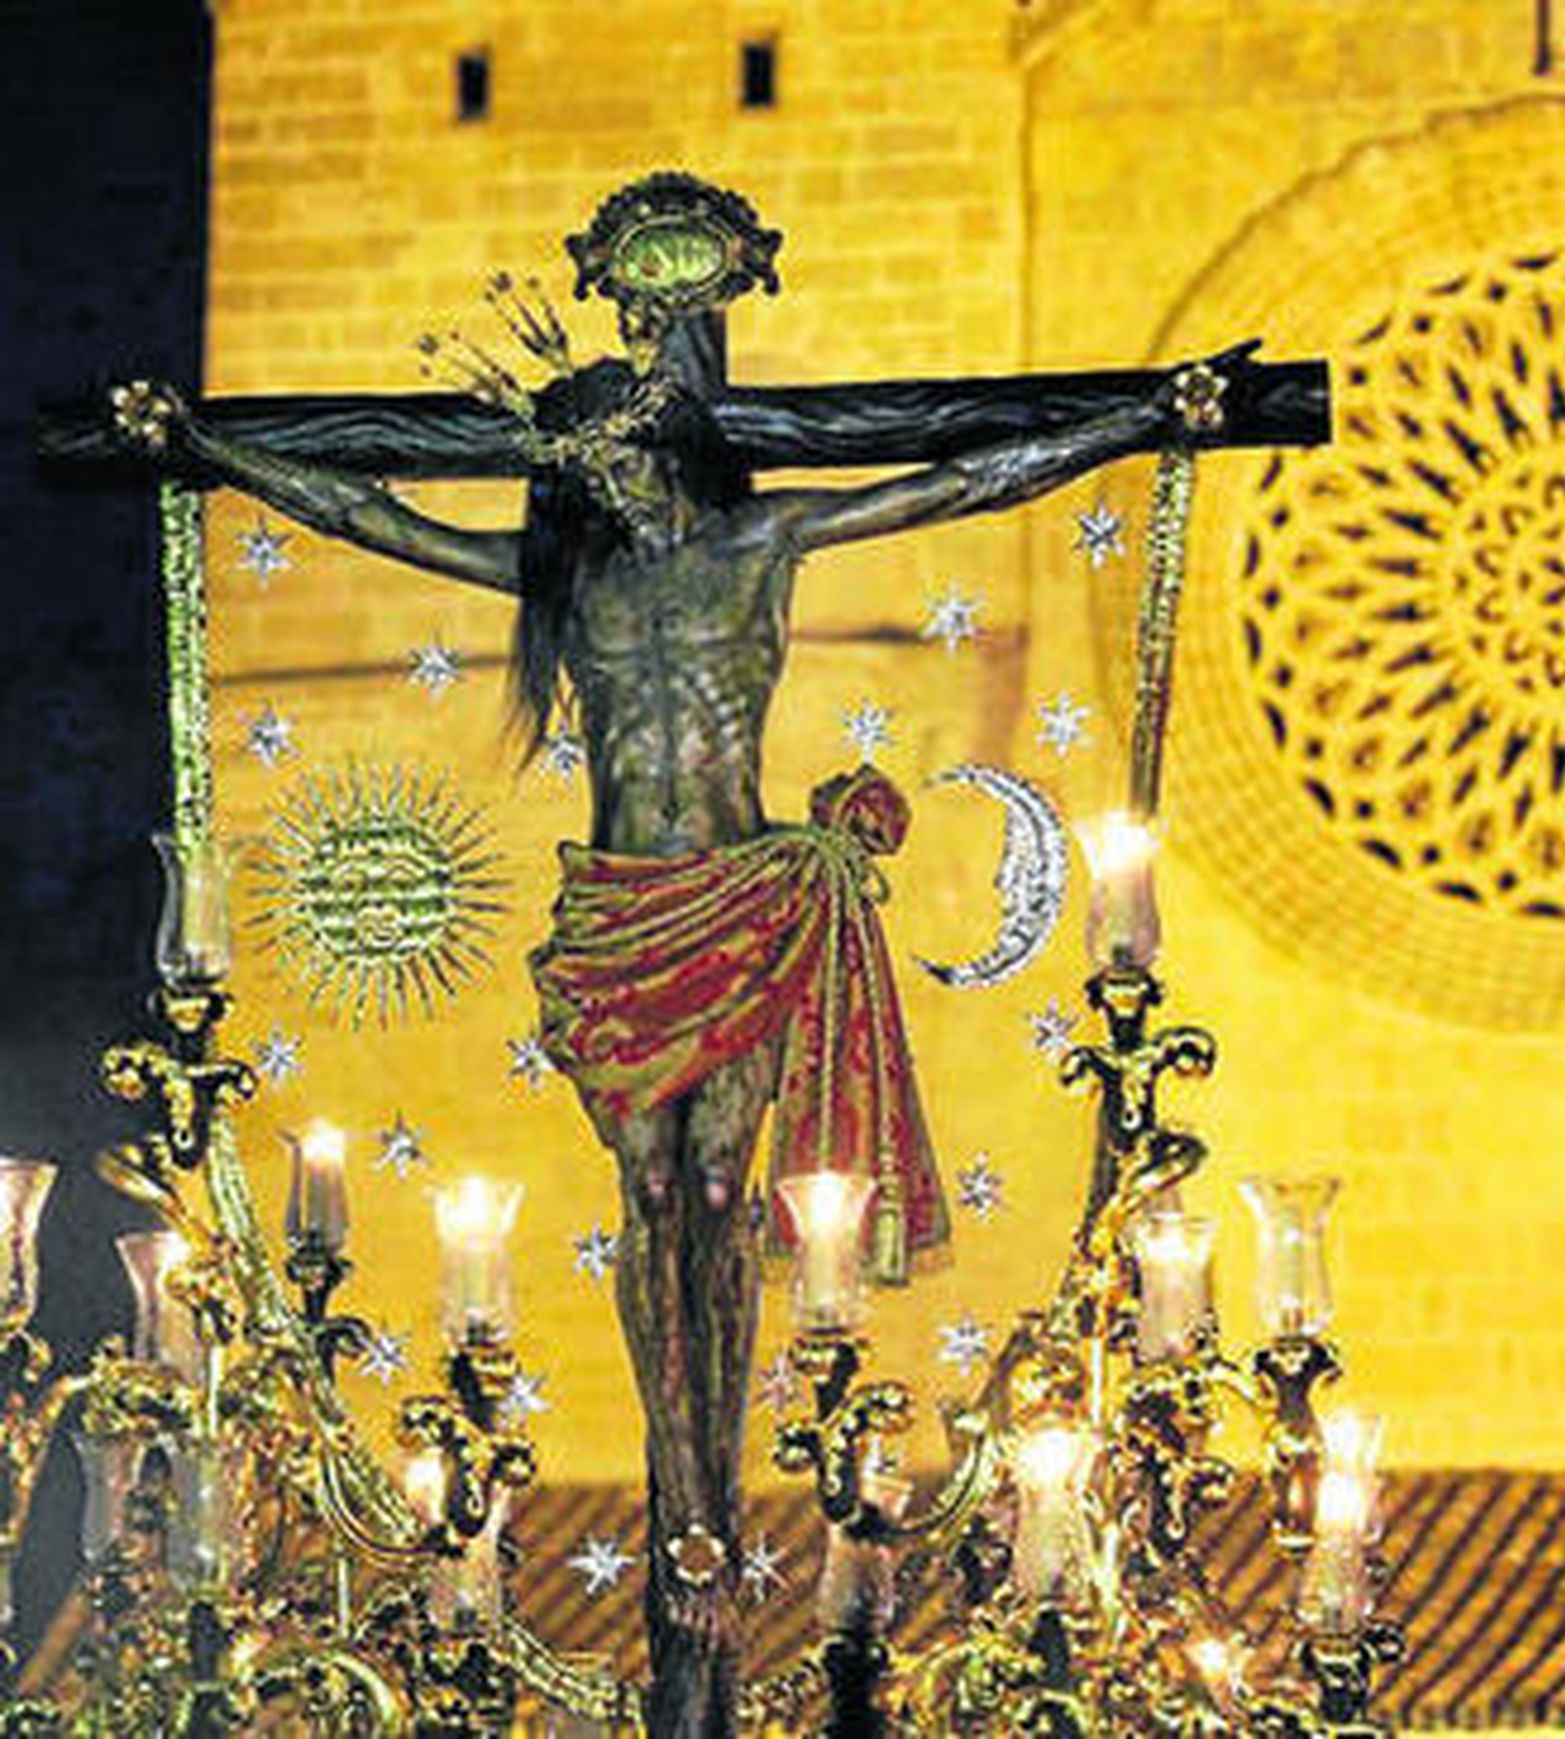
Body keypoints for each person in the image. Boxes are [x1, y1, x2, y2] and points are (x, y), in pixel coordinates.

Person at [112, 293, 1213, 1732]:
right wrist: (207, 450)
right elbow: (378, 521)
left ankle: (707, 1494)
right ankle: (683, 1473)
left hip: (746, 907)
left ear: (674, 453)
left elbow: (951, 478)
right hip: (622, 920)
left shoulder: (761, 547)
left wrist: (1139, 425)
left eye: (627, 462)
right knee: (649, 1192)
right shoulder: (569, 589)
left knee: (716, 1181)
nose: (611, 490)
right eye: (587, 476)